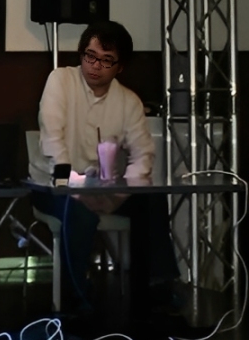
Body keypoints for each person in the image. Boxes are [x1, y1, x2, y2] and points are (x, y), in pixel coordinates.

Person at [28, 20, 177, 311]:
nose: (95, 66)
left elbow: (143, 156)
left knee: (152, 200)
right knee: (78, 211)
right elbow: (53, 140)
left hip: (103, 189)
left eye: (107, 60)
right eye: (90, 56)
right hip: (54, 186)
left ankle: (155, 291)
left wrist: (116, 195)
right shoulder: (60, 80)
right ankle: (76, 301)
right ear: (81, 54)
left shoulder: (128, 101)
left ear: (120, 67)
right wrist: (75, 186)